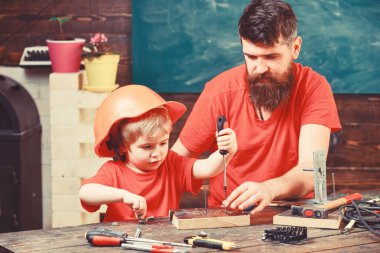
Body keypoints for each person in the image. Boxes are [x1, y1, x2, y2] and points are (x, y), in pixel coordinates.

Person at [171, 0, 341, 215]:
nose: (259, 68)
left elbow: (312, 172)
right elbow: (173, 161)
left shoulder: (314, 87)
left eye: (271, 57)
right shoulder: (219, 91)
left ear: (295, 48)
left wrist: (269, 188)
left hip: (295, 215)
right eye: (251, 57)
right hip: (228, 217)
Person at [79, 85, 237, 221]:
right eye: (147, 147)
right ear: (121, 146)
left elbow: (208, 168)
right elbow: (86, 193)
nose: (157, 153)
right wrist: (123, 196)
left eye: (163, 143)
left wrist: (228, 151)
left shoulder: (171, 163)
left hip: (164, 239)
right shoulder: (113, 171)